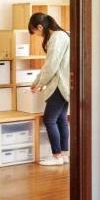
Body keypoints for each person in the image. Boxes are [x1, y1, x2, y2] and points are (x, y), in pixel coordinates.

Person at [28, 12, 70, 166]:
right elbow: (49, 65)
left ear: (40, 27)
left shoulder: (56, 38)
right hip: (66, 83)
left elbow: (51, 66)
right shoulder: (64, 35)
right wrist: (37, 82)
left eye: (35, 32)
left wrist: (39, 84)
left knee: (49, 119)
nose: (37, 36)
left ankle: (56, 156)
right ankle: (64, 155)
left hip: (59, 84)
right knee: (61, 119)